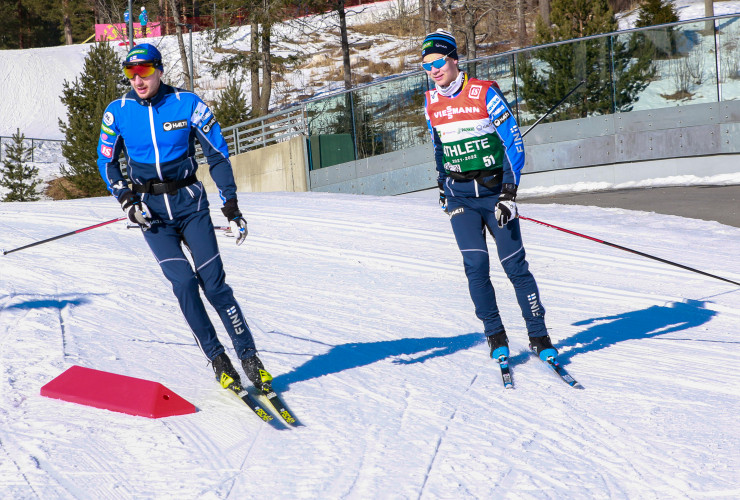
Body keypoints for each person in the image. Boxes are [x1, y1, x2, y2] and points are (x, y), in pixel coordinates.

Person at [96, 44, 273, 395]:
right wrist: (127, 199)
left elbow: (218, 155)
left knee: (215, 285)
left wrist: (231, 205)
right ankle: (219, 359)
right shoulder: (118, 112)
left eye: (144, 71)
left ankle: (250, 357)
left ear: (159, 70)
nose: (137, 79)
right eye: (130, 72)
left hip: (190, 205)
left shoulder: (188, 104)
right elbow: (106, 162)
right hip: (152, 215)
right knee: (184, 284)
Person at [421, 29, 557, 364]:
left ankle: (539, 336)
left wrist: (510, 193)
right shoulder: (431, 103)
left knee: (514, 266)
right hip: (460, 196)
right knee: (476, 265)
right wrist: (442, 185)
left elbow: (513, 142)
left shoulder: (484, 93)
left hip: (495, 192)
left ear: (454, 59)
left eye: (439, 61)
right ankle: (495, 334)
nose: (434, 70)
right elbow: (439, 147)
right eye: (427, 66)